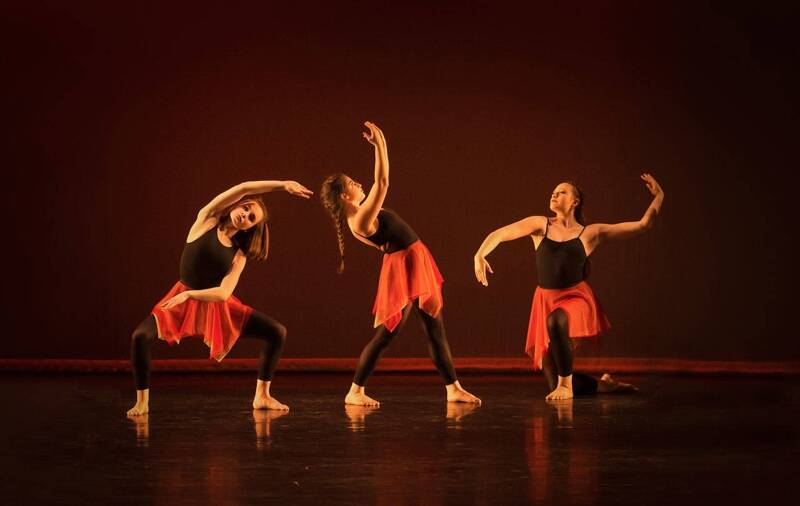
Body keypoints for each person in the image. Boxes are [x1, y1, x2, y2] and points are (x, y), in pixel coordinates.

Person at [320, 121, 481, 407]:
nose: (358, 183)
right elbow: (382, 182)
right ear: (344, 196)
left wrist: (380, 145)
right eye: (351, 184)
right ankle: (355, 391)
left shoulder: (362, 211)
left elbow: (375, 186)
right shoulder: (359, 219)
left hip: (414, 260)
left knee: (434, 327)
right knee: (388, 332)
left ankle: (453, 389)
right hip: (404, 267)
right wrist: (381, 144)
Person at [126, 179, 313, 416]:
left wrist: (191, 295)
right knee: (140, 337)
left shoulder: (239, 254)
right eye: (245, 208)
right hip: (179, 299)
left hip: (213, 303)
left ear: (249, 228)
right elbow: (244, 188)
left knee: (277, 332)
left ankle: (262, 396)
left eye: (251, 218)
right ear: (237, 205)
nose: (244, 216)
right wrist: (282, 185)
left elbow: (224, 293)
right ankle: (142, 403)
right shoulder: (206, 220)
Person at [474, 175, 664, 400]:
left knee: (557, 321)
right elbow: (501, 233)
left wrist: (659, 196)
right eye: (554, 191)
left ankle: (566, 386)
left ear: (575, 202)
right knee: (551, 380)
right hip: (545, 300)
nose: (554, 194)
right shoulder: (540, 224)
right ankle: (601, 385)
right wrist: (480, 253)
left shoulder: (590, 233)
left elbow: (643, 225)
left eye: (562, 192)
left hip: (576, 298)